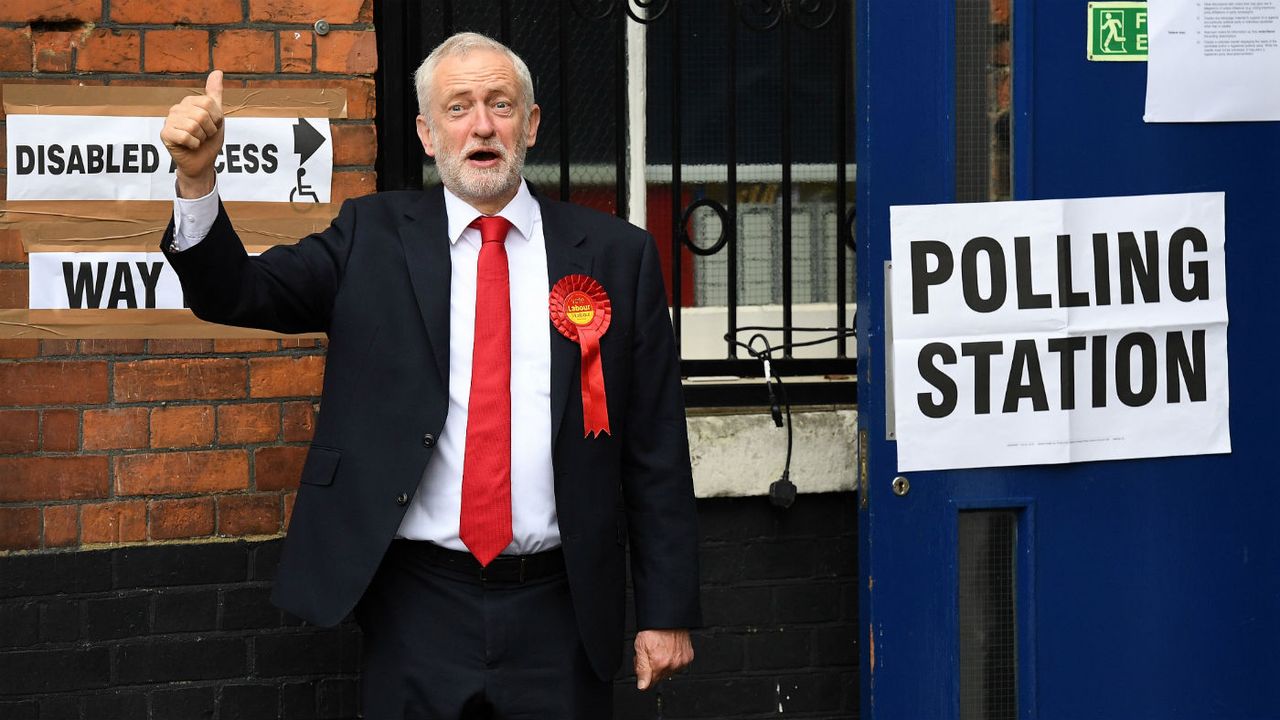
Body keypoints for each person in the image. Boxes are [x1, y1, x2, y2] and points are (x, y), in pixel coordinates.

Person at [159, 31, 699, 719]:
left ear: (530, 125)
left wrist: (666, 609)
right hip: (416, 605)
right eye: (459, 107)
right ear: (424, 131)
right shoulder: (369, 236)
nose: (481, 125)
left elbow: (655, 445)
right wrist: (198, 182)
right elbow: (236, 293)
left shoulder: (618, 256)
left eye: (501, 105)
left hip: (560, 609)